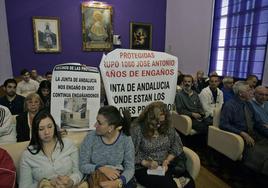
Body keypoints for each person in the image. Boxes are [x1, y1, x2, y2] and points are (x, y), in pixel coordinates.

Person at [131, 101, 195, 188]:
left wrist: (167, 161)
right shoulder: (138, 128)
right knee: (169, 185)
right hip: (145, 167)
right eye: (156, 122)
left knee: (190, 184)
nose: (158, 125)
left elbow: (177, 145)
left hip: (167, 166)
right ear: (148, 118)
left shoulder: (167, 126)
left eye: (161, 122)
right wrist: (146, 163)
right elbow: (130, 152)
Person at [19, 110, 82, 188]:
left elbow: (78, 172)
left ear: (54, 126)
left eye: (49, 126)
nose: (47, 132)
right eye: (41, 129)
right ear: (35, 131)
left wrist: (71, 181)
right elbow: (24, 186)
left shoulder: (68, 144)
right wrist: (45, 184)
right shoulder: (27, 155)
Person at [220, 81, 268, 176]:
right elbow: (223, 124)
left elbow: (257, 122)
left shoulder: (248, 104)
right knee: (262, 156)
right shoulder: (230, 105)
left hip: (254, 133)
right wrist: (242, 133)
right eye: (249, 90)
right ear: (241, 93)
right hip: (240, 137)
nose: (252, 92)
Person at [79, 105, 135, 188]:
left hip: (118, 177)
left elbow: (130, 168)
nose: (95, 125)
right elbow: (83, 165)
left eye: (99, 123)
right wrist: (101, 168)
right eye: (96, 121)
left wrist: (118, 182)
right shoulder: (90, 137)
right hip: (96, 176)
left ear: (111, 128)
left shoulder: (125, 139)